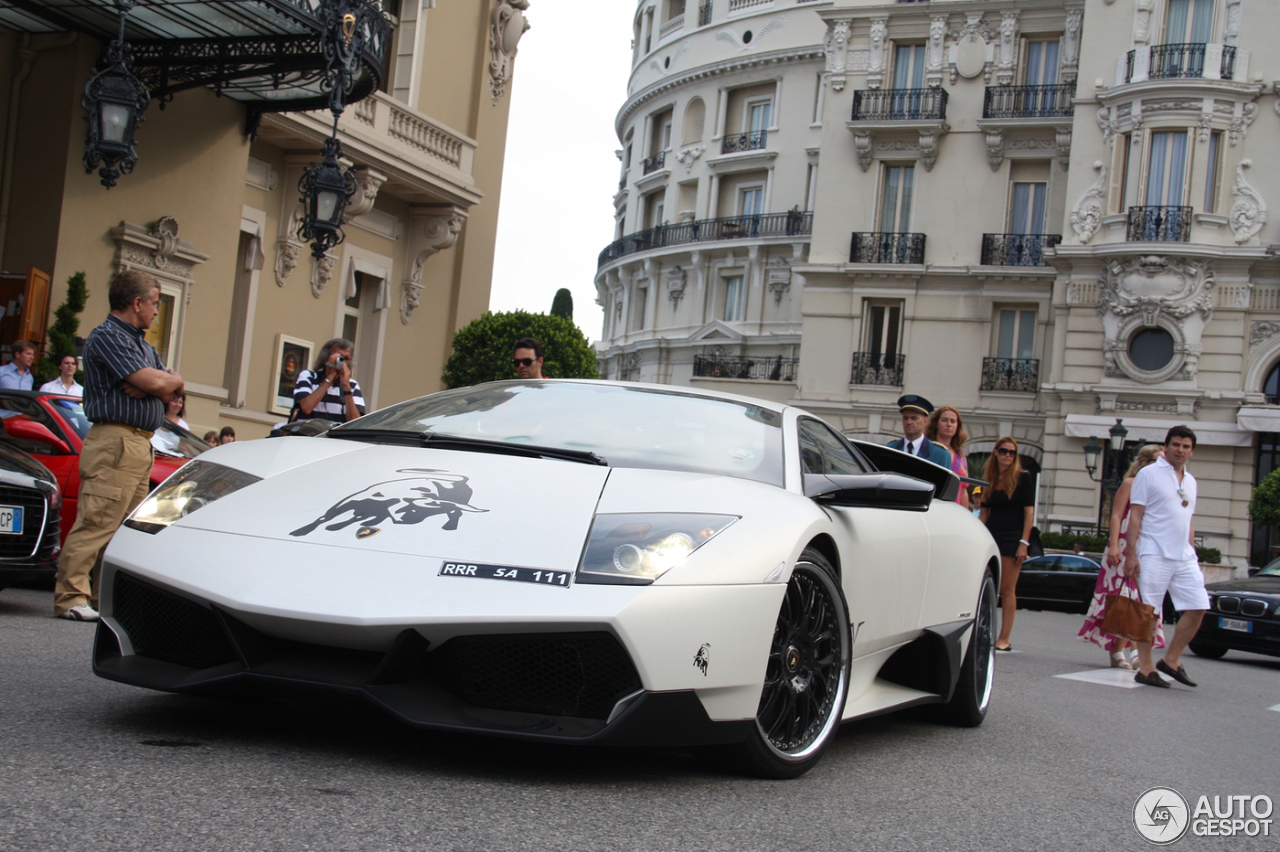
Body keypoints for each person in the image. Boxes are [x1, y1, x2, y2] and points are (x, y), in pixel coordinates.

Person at [54, 270, 183, 621]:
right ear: (136, 302)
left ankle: (100, 598)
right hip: (115, 440)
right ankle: (70, 597)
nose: (157, 311)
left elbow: (172, 387)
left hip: (141, 443)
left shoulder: (143, 345)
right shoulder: (107, 337)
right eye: (155, 303)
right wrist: (154, 382)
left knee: (123, 529)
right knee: (97, 522)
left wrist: (165, 382)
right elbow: (156, 380)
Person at [1125, 426, 1207, 689]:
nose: (1180, 450)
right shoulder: (1148, 474)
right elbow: (1135, 516)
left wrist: (1192, 552)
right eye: (1176, 445)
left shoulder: (1191, 481)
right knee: (1148, 612)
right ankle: (1146, 668)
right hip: (1153, 551)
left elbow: (1188, 519)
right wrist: (1131, 554)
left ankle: (1171, 660)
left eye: (1186, 446)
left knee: (1198, 605)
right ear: (1167, 446)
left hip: (1183, 555)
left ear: (1192, 450)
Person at [1078, 444, 1167, 668]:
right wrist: (1115, 546)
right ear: (1144, 463)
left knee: (1141, 599)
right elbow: (1116, 516)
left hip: (1147, 546)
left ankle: (1125, 650)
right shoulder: (1131, 483)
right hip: (1125, 545)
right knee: (1123, 599)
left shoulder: (1161, 488)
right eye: (1158, 462)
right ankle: (1125, 651)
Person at [979, 436, 1034, 652]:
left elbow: (1029, 512)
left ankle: (1004, 637)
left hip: (1013, 537)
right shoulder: (990, 478)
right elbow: (984, 512)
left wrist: (1024, 542)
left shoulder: (1023, 478)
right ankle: (986, 632)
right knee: (987, 585)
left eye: (1012, 452)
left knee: (1007, 588)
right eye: (1004, 451)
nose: (1008, 456)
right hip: (992, 533)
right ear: (995, 452)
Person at [293, 338, 365, 424]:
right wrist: (329, 379)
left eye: (346, 358)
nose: (342, 362)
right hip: (308, 436)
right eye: (339, 357)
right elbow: (306, 407)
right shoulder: (309, 377)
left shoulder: (353, 385)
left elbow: (355, 423)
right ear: (325, 357)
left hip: (333, 437)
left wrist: (346, 387)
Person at [926, 404, 971, 509]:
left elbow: (964, 490)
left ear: (957, 426)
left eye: (953, 421)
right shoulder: (927, 450)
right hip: (931, 507)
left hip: (953, 510)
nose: (948, 424)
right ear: (936, 424)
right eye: (944, 420)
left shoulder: (960, 456)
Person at [886, 394, 951, 466]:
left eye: (914, 418)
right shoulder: (890, 449)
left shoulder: (940, 454)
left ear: (925, 421)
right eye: (905, 418)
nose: (909, 422)